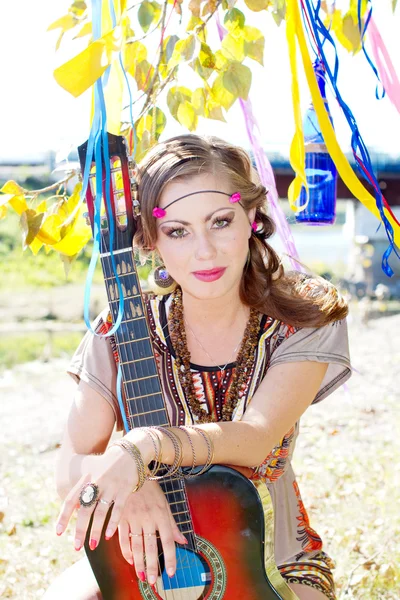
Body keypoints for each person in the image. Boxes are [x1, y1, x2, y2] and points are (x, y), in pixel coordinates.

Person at [44, 134, 352, 600]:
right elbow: (69, 464)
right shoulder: (122, 329)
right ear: (149, 238)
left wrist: (140, 449)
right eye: (178, 230)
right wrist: (126, 489)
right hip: (148, 558)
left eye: (220, 221)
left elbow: (254, 437)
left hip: (273, 556)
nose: (204, 251)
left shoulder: (302, 317)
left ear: (250, 217)